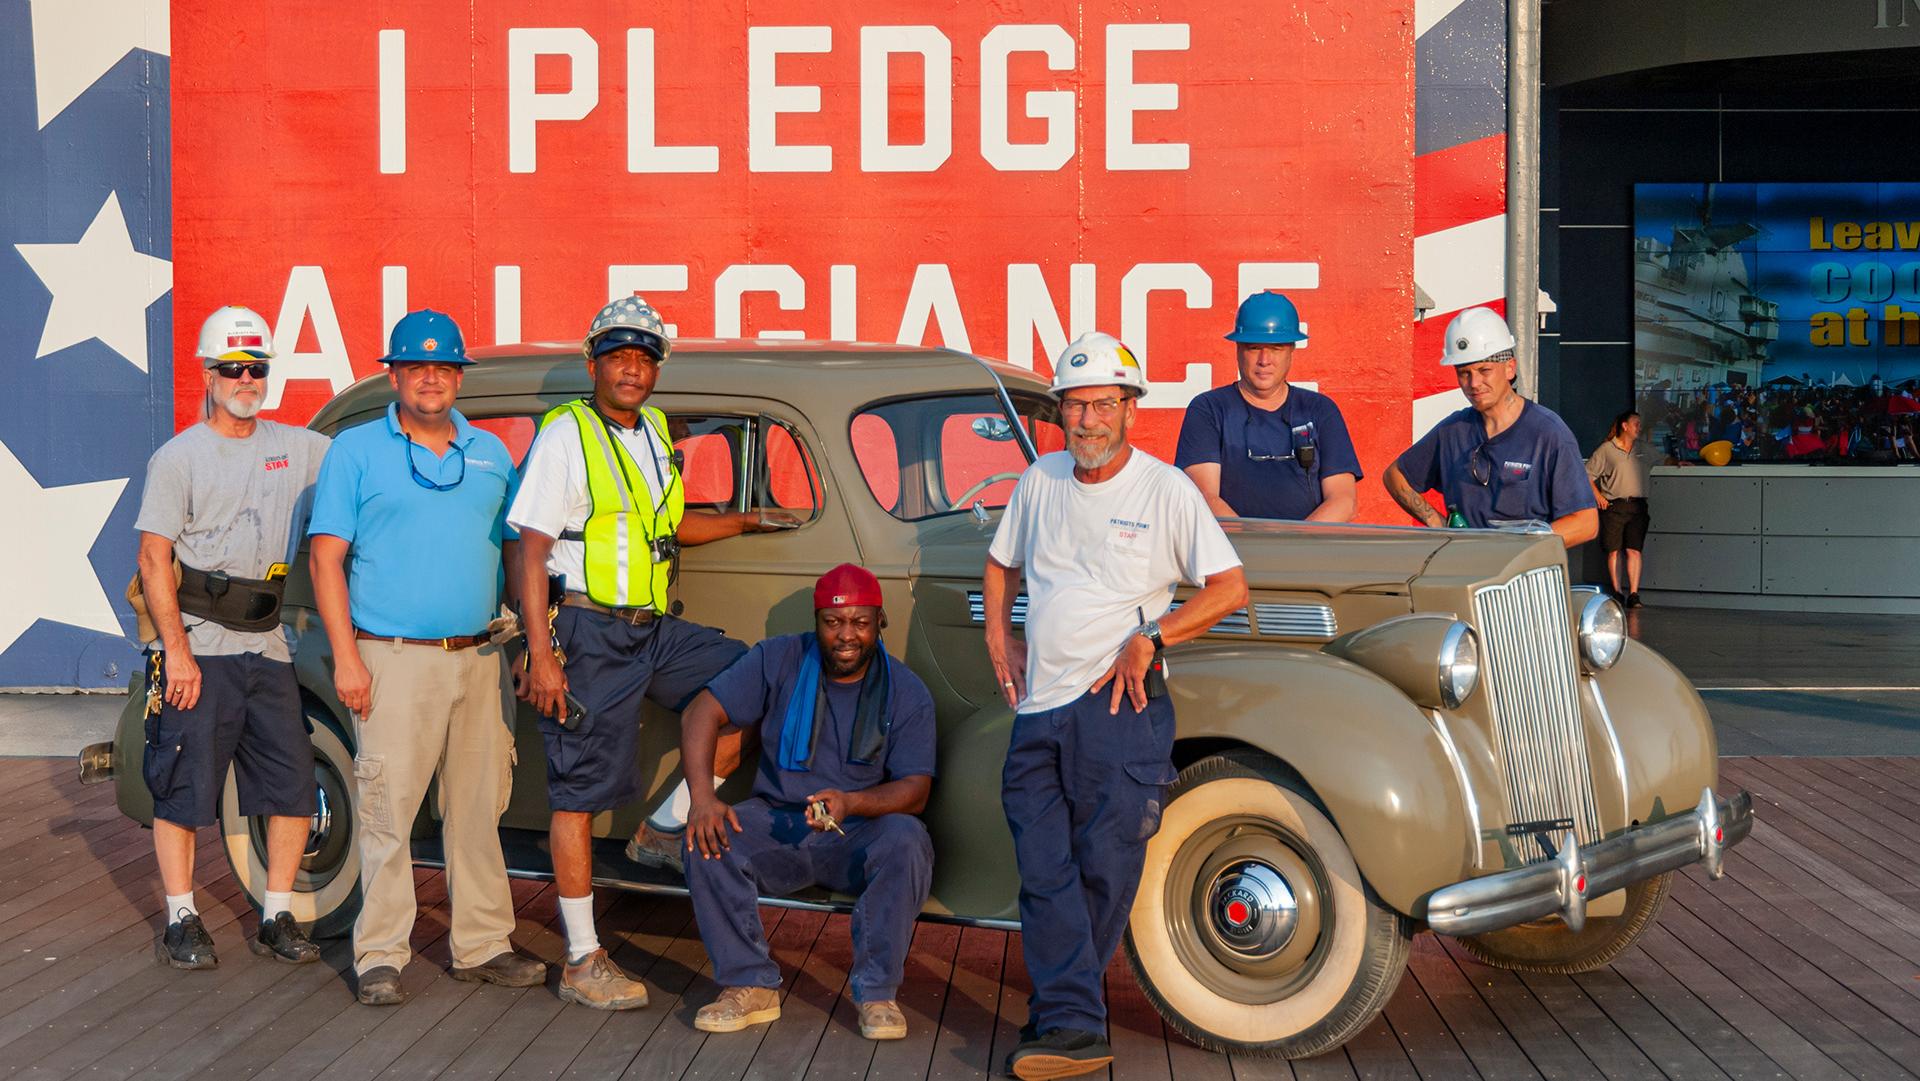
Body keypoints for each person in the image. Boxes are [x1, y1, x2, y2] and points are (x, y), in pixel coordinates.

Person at [506, 294, 800, 1010]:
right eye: (618, 356)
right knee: (575, 791)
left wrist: (747, 519)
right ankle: (582, 957)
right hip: (586, 629)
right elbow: (532, 545)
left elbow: (663, 528)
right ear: (594, 364)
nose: (631, 369)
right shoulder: (567, 433)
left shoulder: (654, 431)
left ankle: (662, 828)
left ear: (656, 368)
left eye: (644, 357)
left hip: (651, 627)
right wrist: (540, 650)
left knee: (757, 680)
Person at [984, 331, 1248, 1081]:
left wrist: (1153, 637)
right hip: (1041, 711)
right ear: (1060, 413)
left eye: (1103, 403)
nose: (1088, 420)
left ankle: (1065, 1019)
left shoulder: (1166, 491)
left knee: (1102, 864)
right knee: (1044, 865)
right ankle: (1070, 1016)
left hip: (1118, 706)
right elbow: (1000, 562)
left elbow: (1229, 588)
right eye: (1075, 405)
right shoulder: (1039, 480)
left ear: (1131, 409)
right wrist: (999, 642)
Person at [308, 309, 545, 1006]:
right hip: (393, 657)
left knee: (480, 806)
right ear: (395, 375)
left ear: (458, 377)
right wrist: (347, 658)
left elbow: (512, 551)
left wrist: (528, 640)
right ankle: (381, 953)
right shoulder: (355, 450)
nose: (432, 379)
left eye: (444, 368)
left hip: (479, 656)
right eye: (418, 367)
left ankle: (482, 942)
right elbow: (327, 559)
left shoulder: (491, 453)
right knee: (387, 806)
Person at [134, 306, 328, 970]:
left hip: (267, 645)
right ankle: (181, 918)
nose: (247, 378)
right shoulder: (178, 457)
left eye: (257, 367)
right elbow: (153, 558)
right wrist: (176, 652)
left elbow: (363, 464)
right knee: (184, 788)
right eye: (233, 368)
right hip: (200, 645)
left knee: (294, 785)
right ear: (209, 374)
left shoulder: (298, 446)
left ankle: (277, 914)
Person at [680, 564, 936, 1042]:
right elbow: (702, 711)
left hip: (854, 833)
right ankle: (749, 984)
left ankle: (877, 992)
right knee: (706, 839)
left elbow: (916, 791)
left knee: (907, 839)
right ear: (816, 620)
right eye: (833, 622)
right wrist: (701, 799)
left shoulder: (906, 691)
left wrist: (852, 802)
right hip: (778, 823)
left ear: (879, 622)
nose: (845, 636)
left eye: (859, 622)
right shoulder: (780, 657)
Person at [1383, 307, 1598, 548]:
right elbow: (1395, 476)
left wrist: (1517, 549)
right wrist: (1438, 524)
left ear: (1510, 368)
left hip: (1525, 578)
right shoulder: (1453, 431)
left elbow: (1586, 523)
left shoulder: (1548, 433)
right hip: (1465, 575)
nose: (1474, 383)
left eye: (1484, 370)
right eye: (1464, 373)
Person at [1174, 291, 1361, 520]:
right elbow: (1203, 497)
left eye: (1275, 348)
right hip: (1232, 550)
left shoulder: (1320, 410)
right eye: (1254, 348)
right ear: (1238, 349)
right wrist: (1252, 550)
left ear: (1292, 350)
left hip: (1307, 551)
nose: (1264, 360)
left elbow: (1344, 500)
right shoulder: (1209, 409)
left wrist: (1293, 549)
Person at [1588, 410, 1652, 607]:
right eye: (1636, 424)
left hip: (1637, 506)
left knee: (1634, 550)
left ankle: (1633, 594)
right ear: (1625, 426)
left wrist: (1678, 462)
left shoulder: (1644, 449)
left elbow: (1665, 459)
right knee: (1614, 550)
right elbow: (1587, 475)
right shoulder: (1606, 449)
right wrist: (1598, 496)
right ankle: (1617, 591)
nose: (1639, 428)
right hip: (1614, 506)